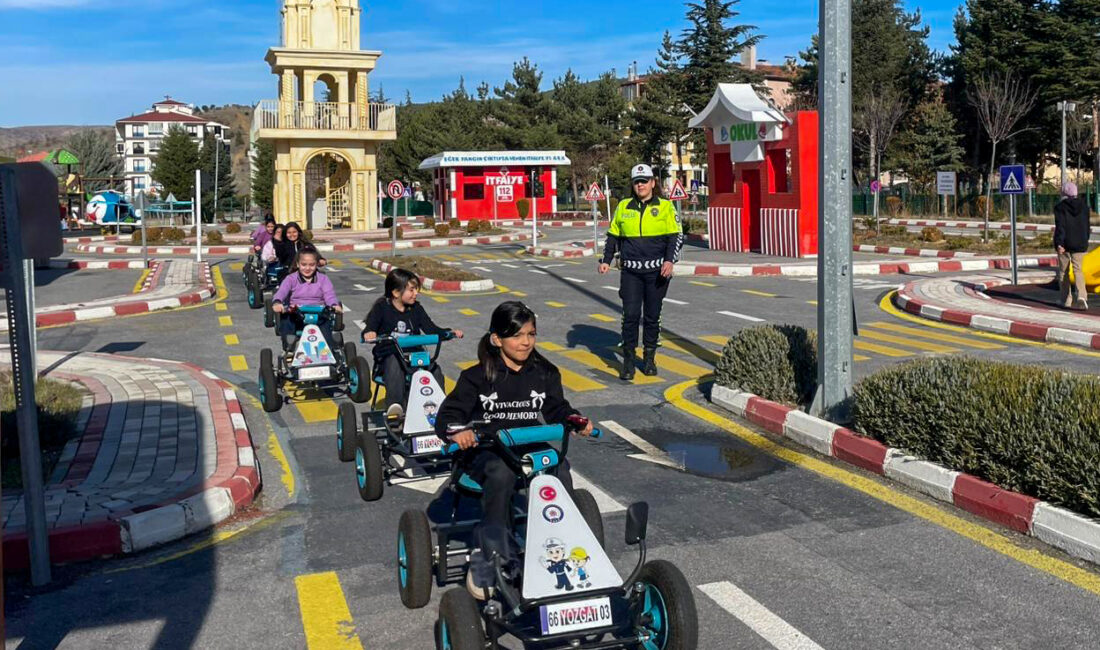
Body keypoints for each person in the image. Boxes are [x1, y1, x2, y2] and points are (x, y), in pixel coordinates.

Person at [435, 301, 593, 594]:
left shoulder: (545, 372)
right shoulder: (476, 376)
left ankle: (566, 544)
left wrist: (575, 420)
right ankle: (491, 552)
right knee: (501, 474)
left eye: (531, 334)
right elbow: (448, 417)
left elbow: (558, 408)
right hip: (485, 450)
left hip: (527, 445)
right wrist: (460, 433)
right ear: (497, 339)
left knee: (559, 466)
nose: (525, 342)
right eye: (517, 335)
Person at [597, 163, 683, 380]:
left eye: (644, 181)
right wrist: (606, 260)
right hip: (631, 273)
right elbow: (613, 236)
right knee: (631, 316)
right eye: (637, 182)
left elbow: (676, 236)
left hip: (657, 273)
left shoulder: (665, 207)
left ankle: (649, 357)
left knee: (653, 317)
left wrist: (669, 261)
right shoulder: (624, 207)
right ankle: (627, 360)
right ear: (633, 185)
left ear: (653, 183)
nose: (641, 185)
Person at [361, 268, 463, 417]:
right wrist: (369, 333)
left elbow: (431, 328)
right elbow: (371, 326)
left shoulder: (416, 309)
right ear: (396, 292)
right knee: (394, 362)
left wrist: (448, 333)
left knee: (434, 368)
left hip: (414, 358)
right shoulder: (382, 308)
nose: (416, 293)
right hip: (389, 357)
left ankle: (438, 406)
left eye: (416, 289)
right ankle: (396, 409)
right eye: (412, 290)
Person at [271, 248, 341, 353]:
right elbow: (282, 292)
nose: (307, 268)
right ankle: (289, 350)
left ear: (317, 264)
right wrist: (277, 302)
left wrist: (334, 305)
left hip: (319, 313)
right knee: (287, 321)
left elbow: (329, 294)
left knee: (326, 328)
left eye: (311, 265)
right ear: (298, 264)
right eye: (304, 265)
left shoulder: (323, 279)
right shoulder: (291, 279)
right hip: (296, 312)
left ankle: (328, 354)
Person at [1054, 181, 1091, 310]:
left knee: (1064, 271)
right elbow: (1087, 226)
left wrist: (1059, 243)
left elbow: (1061, 227)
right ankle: (1082, 296)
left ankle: (1066, 299)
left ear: (1064, 192)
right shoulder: (1085, 207)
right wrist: (1086, 240)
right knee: (1078, 270)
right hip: (1080, 242)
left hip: (1065, 243)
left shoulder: (1060, 208)